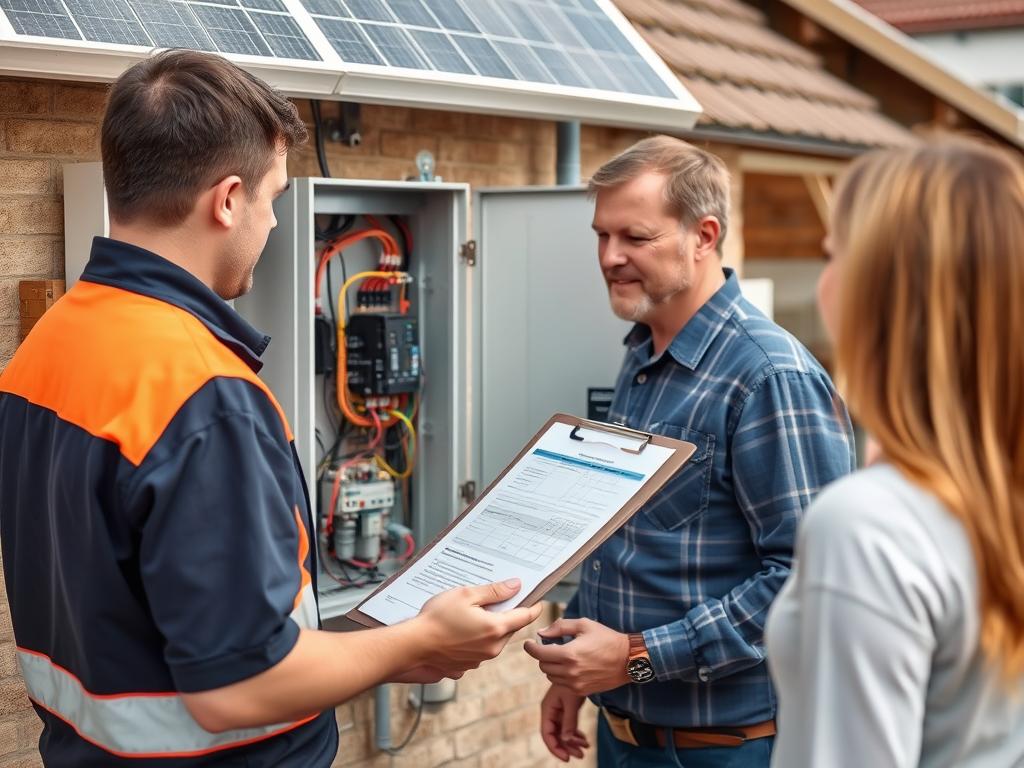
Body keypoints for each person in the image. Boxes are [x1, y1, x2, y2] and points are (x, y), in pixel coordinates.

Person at [0, 50, 540, 767]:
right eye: (274, 197)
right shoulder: (205, 400)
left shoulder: (48, 345)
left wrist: (376, 652)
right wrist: (416, 641)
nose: (276, 223)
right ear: (227, 200)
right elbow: (238, 687)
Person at [524, 136, 855, 767]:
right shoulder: (643, 355)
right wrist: (581, 676)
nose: (610, 257)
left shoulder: (769, 375)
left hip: (726, 751)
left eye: (635, 238)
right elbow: (629, 539)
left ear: (703, 235)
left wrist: (635, 659)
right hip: (624, 735)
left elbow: (809, 584)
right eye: (601, 235)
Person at [765, 137, 1024, 766]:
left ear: (878, 296)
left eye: (834, 256)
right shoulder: (992, 498)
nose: (824, 284)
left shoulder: (870, 527)